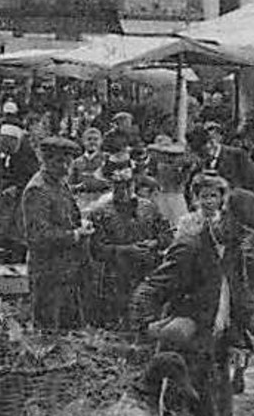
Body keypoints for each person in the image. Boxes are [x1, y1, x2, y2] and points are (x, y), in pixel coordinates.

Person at [130, 174, 254, 416]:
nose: (245, 240)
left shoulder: (234, 250)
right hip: (186, 355)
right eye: (242, 232)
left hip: (217, 350)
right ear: (225, 216)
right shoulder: (190, 248)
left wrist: (253, 318)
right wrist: (149, 326)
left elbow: (237, 295)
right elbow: (148, 290)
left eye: (249, 236)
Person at [86, 156, 172, 327]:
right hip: (115, 276)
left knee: (145, 318)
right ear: (111, 186)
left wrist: (154, 243)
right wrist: (126, 250)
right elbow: (96, 249)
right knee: (117, 323)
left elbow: (167, 236)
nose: (124, 191)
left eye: (128, 186)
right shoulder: (100, 212)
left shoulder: (149, 207)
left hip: (146, 272)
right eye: (118, 187)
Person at [21, 136, 90, 329]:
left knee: (69, 327)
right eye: (59, 161)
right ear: (46, 160)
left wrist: (80, 223)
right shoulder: (38, 189)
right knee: (47, 328)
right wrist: (75, 235)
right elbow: (38, 235)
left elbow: (65, 214)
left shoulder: (59, 182)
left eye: (69, 161)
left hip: (67, 269)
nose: (65, 167)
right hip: (47, 270)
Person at [185, 123, 254, 200]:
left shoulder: (237, 156)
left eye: (202, 153)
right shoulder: (198, 168)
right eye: (198, 154)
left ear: (211, 143)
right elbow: (189, 192)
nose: (201, 158)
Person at [68, 127, 112, 193]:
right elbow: (70, 185)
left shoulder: (108, 159)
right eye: (89, 139)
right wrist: (78, 187)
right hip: (83, 199)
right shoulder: (76, 163)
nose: (92, 142)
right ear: (83, 141)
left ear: (101, 141)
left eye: (96, 139)